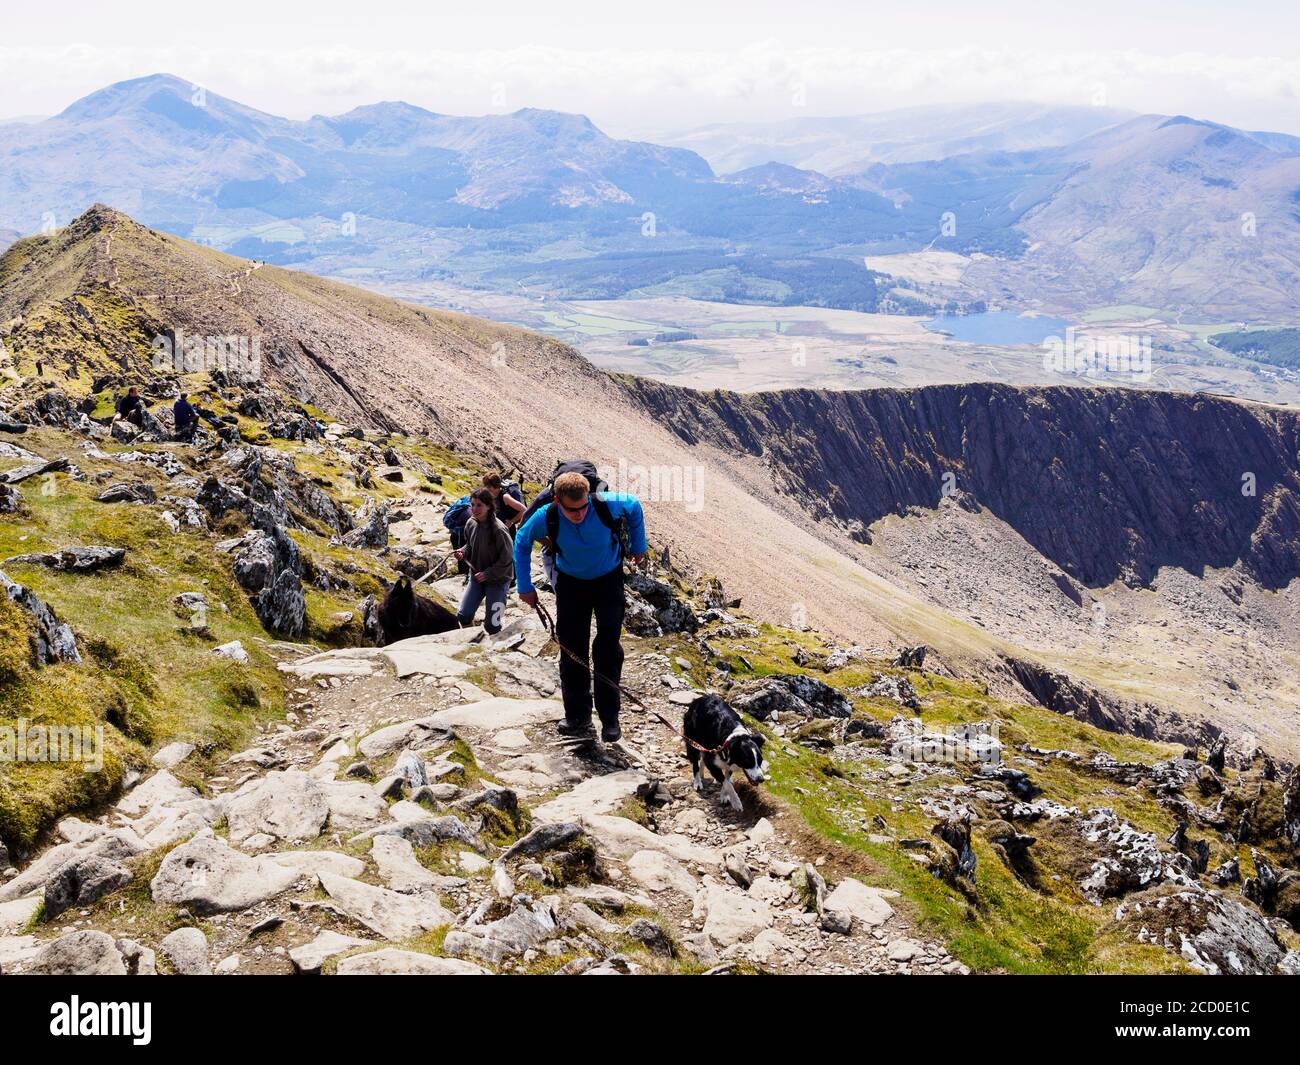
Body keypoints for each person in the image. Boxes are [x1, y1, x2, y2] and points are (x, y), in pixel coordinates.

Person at [515, 471, 646, 742]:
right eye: (572, 510)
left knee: (608, 646)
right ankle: (577, 716)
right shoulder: (546, 516)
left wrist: (638, 545)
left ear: (589, 496)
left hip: (609, 580)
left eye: (583, 506)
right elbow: (522, 541)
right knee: (573, 648)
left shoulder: (605, 503)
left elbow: (634, 506)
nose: (579, 514)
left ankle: (610, 718)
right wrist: (525, 586)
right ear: (558, 501)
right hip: (571, 584)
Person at [454, 488, 514, 635]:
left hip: (499, 581)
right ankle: (473, 642)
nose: (475, 509)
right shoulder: (470, 523)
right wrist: (463, 551)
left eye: (479, 505)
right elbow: (470, 545)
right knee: (463, 615)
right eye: (472, 504)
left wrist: (488, 574)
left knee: (493, 625)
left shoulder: (499, 530)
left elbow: (507, 560)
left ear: (489, 506)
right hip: (476, 577)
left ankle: (495, 649)